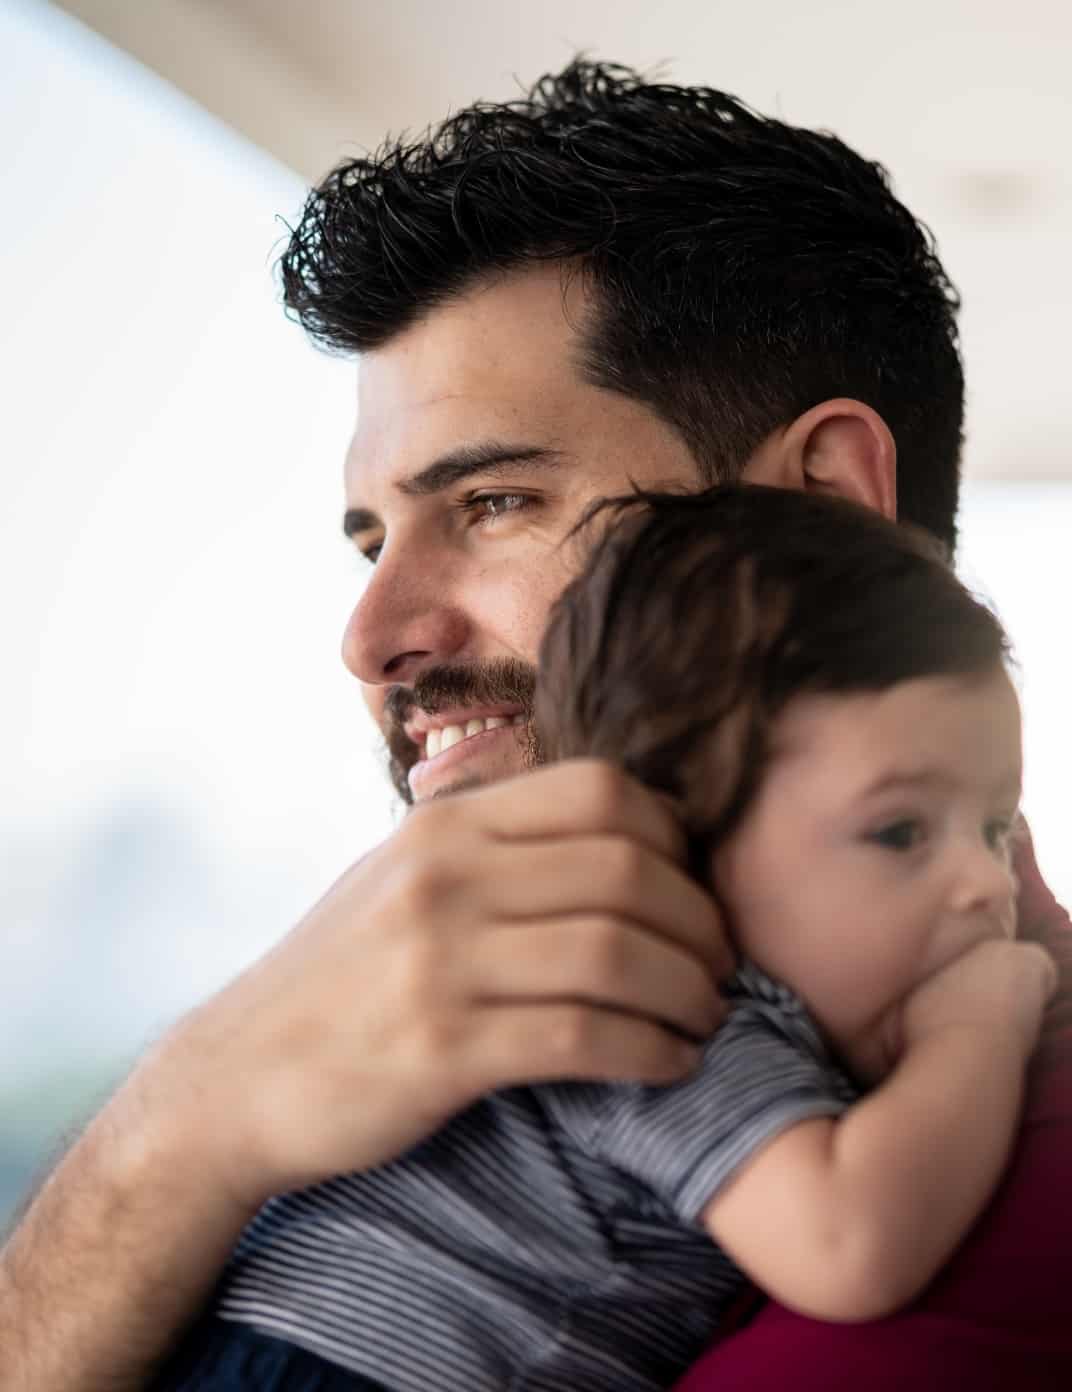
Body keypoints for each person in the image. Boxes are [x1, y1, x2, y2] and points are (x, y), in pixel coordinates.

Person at [1, 59, 1068, 1390]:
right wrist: (182, 1124)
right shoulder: (395, 1030)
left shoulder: (1007, 1151)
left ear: (816, 507)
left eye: (493, 502)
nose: (373, 635)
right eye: (372, 538)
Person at [150, 484, 1059, 1392]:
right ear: (683, 835)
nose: (986, 885)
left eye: (993, 827)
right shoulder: (655, 1006)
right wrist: (974, 1028)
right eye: (899, 833)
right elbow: (850, 1244)